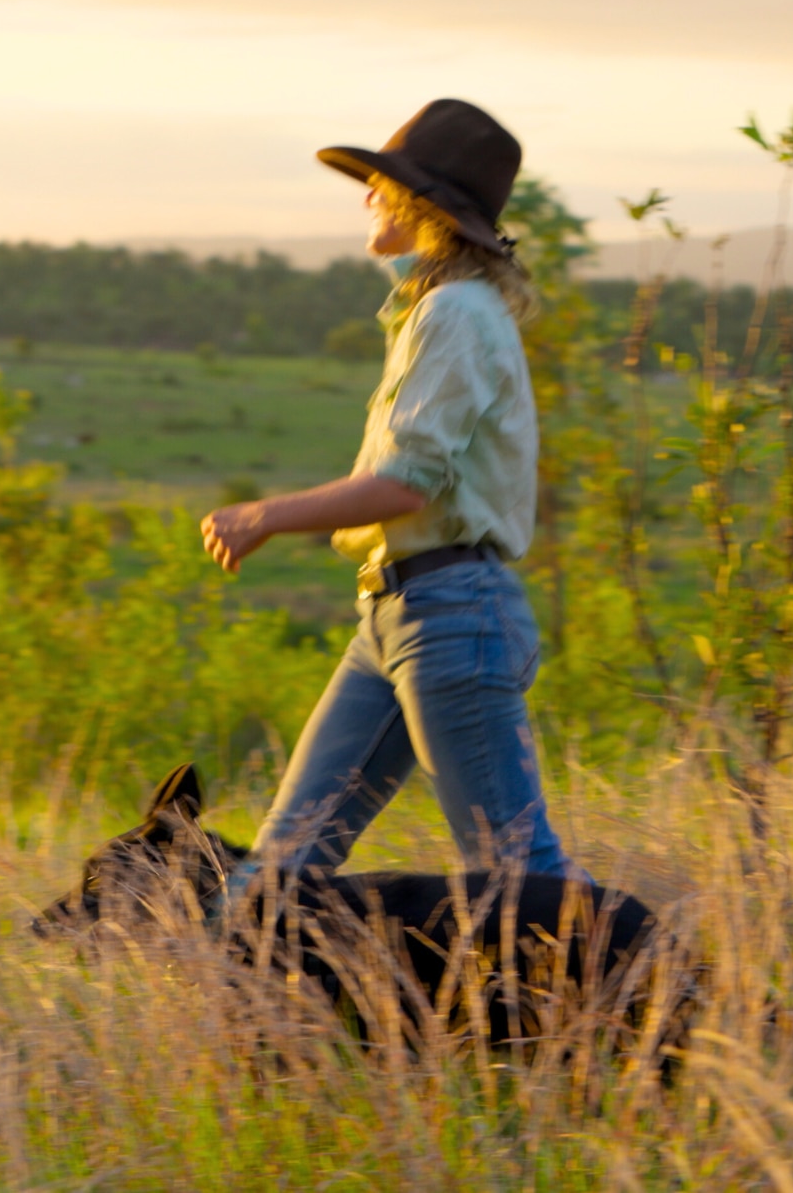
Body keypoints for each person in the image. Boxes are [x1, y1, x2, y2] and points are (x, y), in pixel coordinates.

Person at [196, 100, 586, 887]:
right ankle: (240, 1009)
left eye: (381, 184)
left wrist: (265, 515)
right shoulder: (435, 311)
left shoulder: (452, 314)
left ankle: (688, 1005)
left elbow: (405, 486)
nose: (368, 195)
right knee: (280, 870)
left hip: (451, 615)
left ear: (422, 206)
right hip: (400, 613)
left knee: (519, 875)